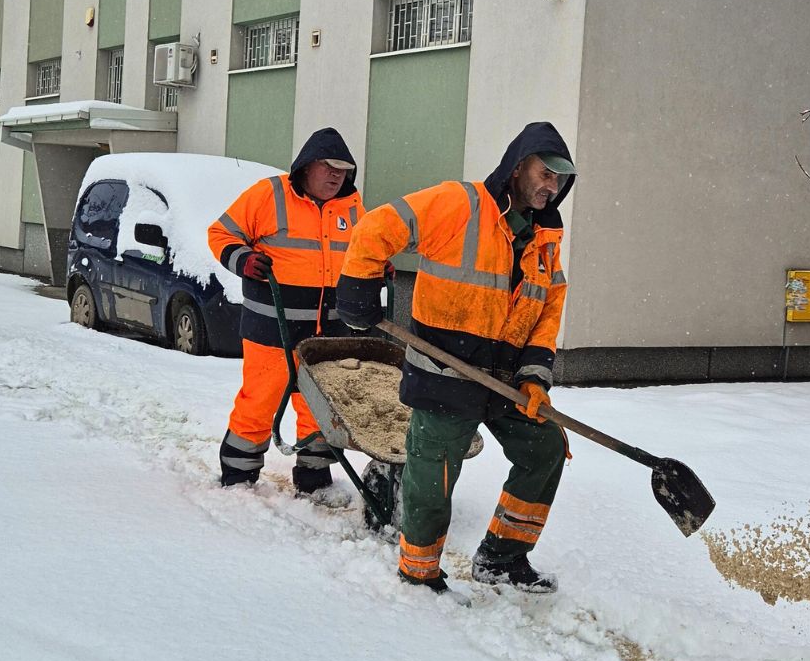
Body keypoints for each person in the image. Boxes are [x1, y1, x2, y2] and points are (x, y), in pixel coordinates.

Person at [335, 121, 576, 595]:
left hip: (505, 380)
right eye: (544, 173)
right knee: (434, 475)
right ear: (517, 167)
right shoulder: (460, 204)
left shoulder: (545, 239)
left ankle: (502, 559)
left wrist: (534, 377)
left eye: (559, 178)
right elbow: (378, 226)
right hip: (445, 371)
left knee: (545, 448)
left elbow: (548, 310)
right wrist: (358, 287)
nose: (551, 186)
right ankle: (419, 571)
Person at [207, 128, 364, 500]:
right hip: (271, 326)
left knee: (320, 403)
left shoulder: (353, 207)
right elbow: (221, 233)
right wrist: (244, 260)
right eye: (328, 167)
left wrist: (375, 267)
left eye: (343, 170)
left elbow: (365, 250)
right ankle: (238, 475)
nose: (336, 175)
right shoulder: (269, 194)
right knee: (261, 399)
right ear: (307, 166)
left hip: (327, 331)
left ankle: (314, 476)